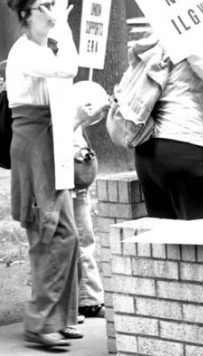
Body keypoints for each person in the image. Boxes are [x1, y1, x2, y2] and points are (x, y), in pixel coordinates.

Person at [1, 0, 80, 350]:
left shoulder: (43, 48)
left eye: (54, 4)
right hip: (35, 146)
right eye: (44, 7)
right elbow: (69, 68)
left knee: (64, 233)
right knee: (49, 233)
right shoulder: (27, 52)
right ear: (25, 14)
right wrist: (64, 29)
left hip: (51, 143)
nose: (52, 12)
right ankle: (40, 321)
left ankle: (59, 317)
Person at [132, 31, 203, 220]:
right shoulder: (191, 34)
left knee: (167, 242)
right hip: (190, 144)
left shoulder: (154, 39)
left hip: (148, 151)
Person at [70, 83, 109, 321]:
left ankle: (86, 298)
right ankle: (88, 300)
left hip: (76, 185)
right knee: (83, 240)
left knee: (84, 240)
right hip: (70, 185)